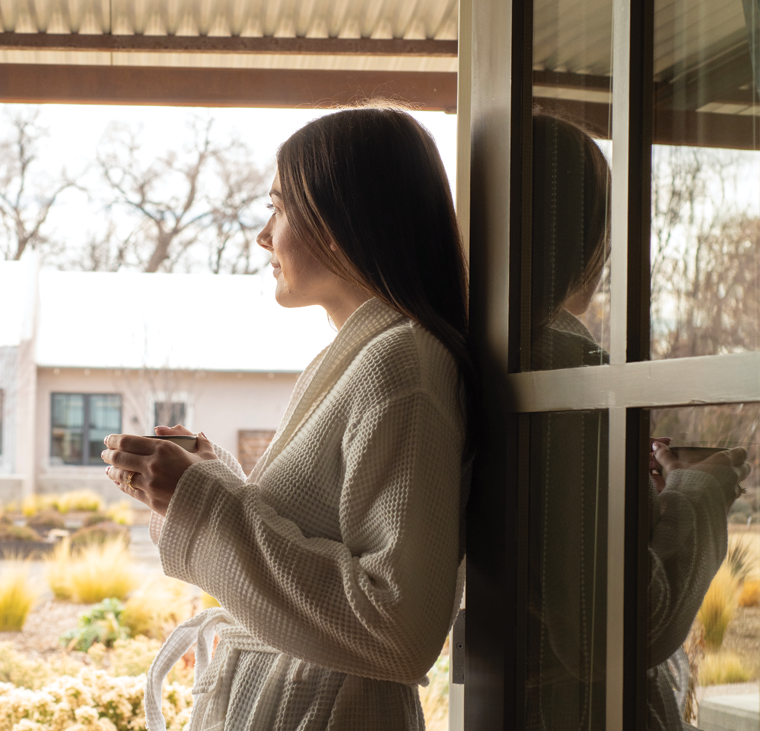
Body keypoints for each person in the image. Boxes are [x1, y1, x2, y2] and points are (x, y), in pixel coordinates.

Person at [100, 104, 476, 730]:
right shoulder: (358, 356)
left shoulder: (401, 367)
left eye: (278, 207)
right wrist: (202, 478)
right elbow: (318, 536)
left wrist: (204, 499)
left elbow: (400, 629)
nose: (263, 235)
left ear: (341, 218)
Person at [527, 114, 752, 730]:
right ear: (596, 240)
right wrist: (701, 488)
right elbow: (630, 622)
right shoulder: (569, 378)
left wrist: (640, 502)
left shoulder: (494, 365)